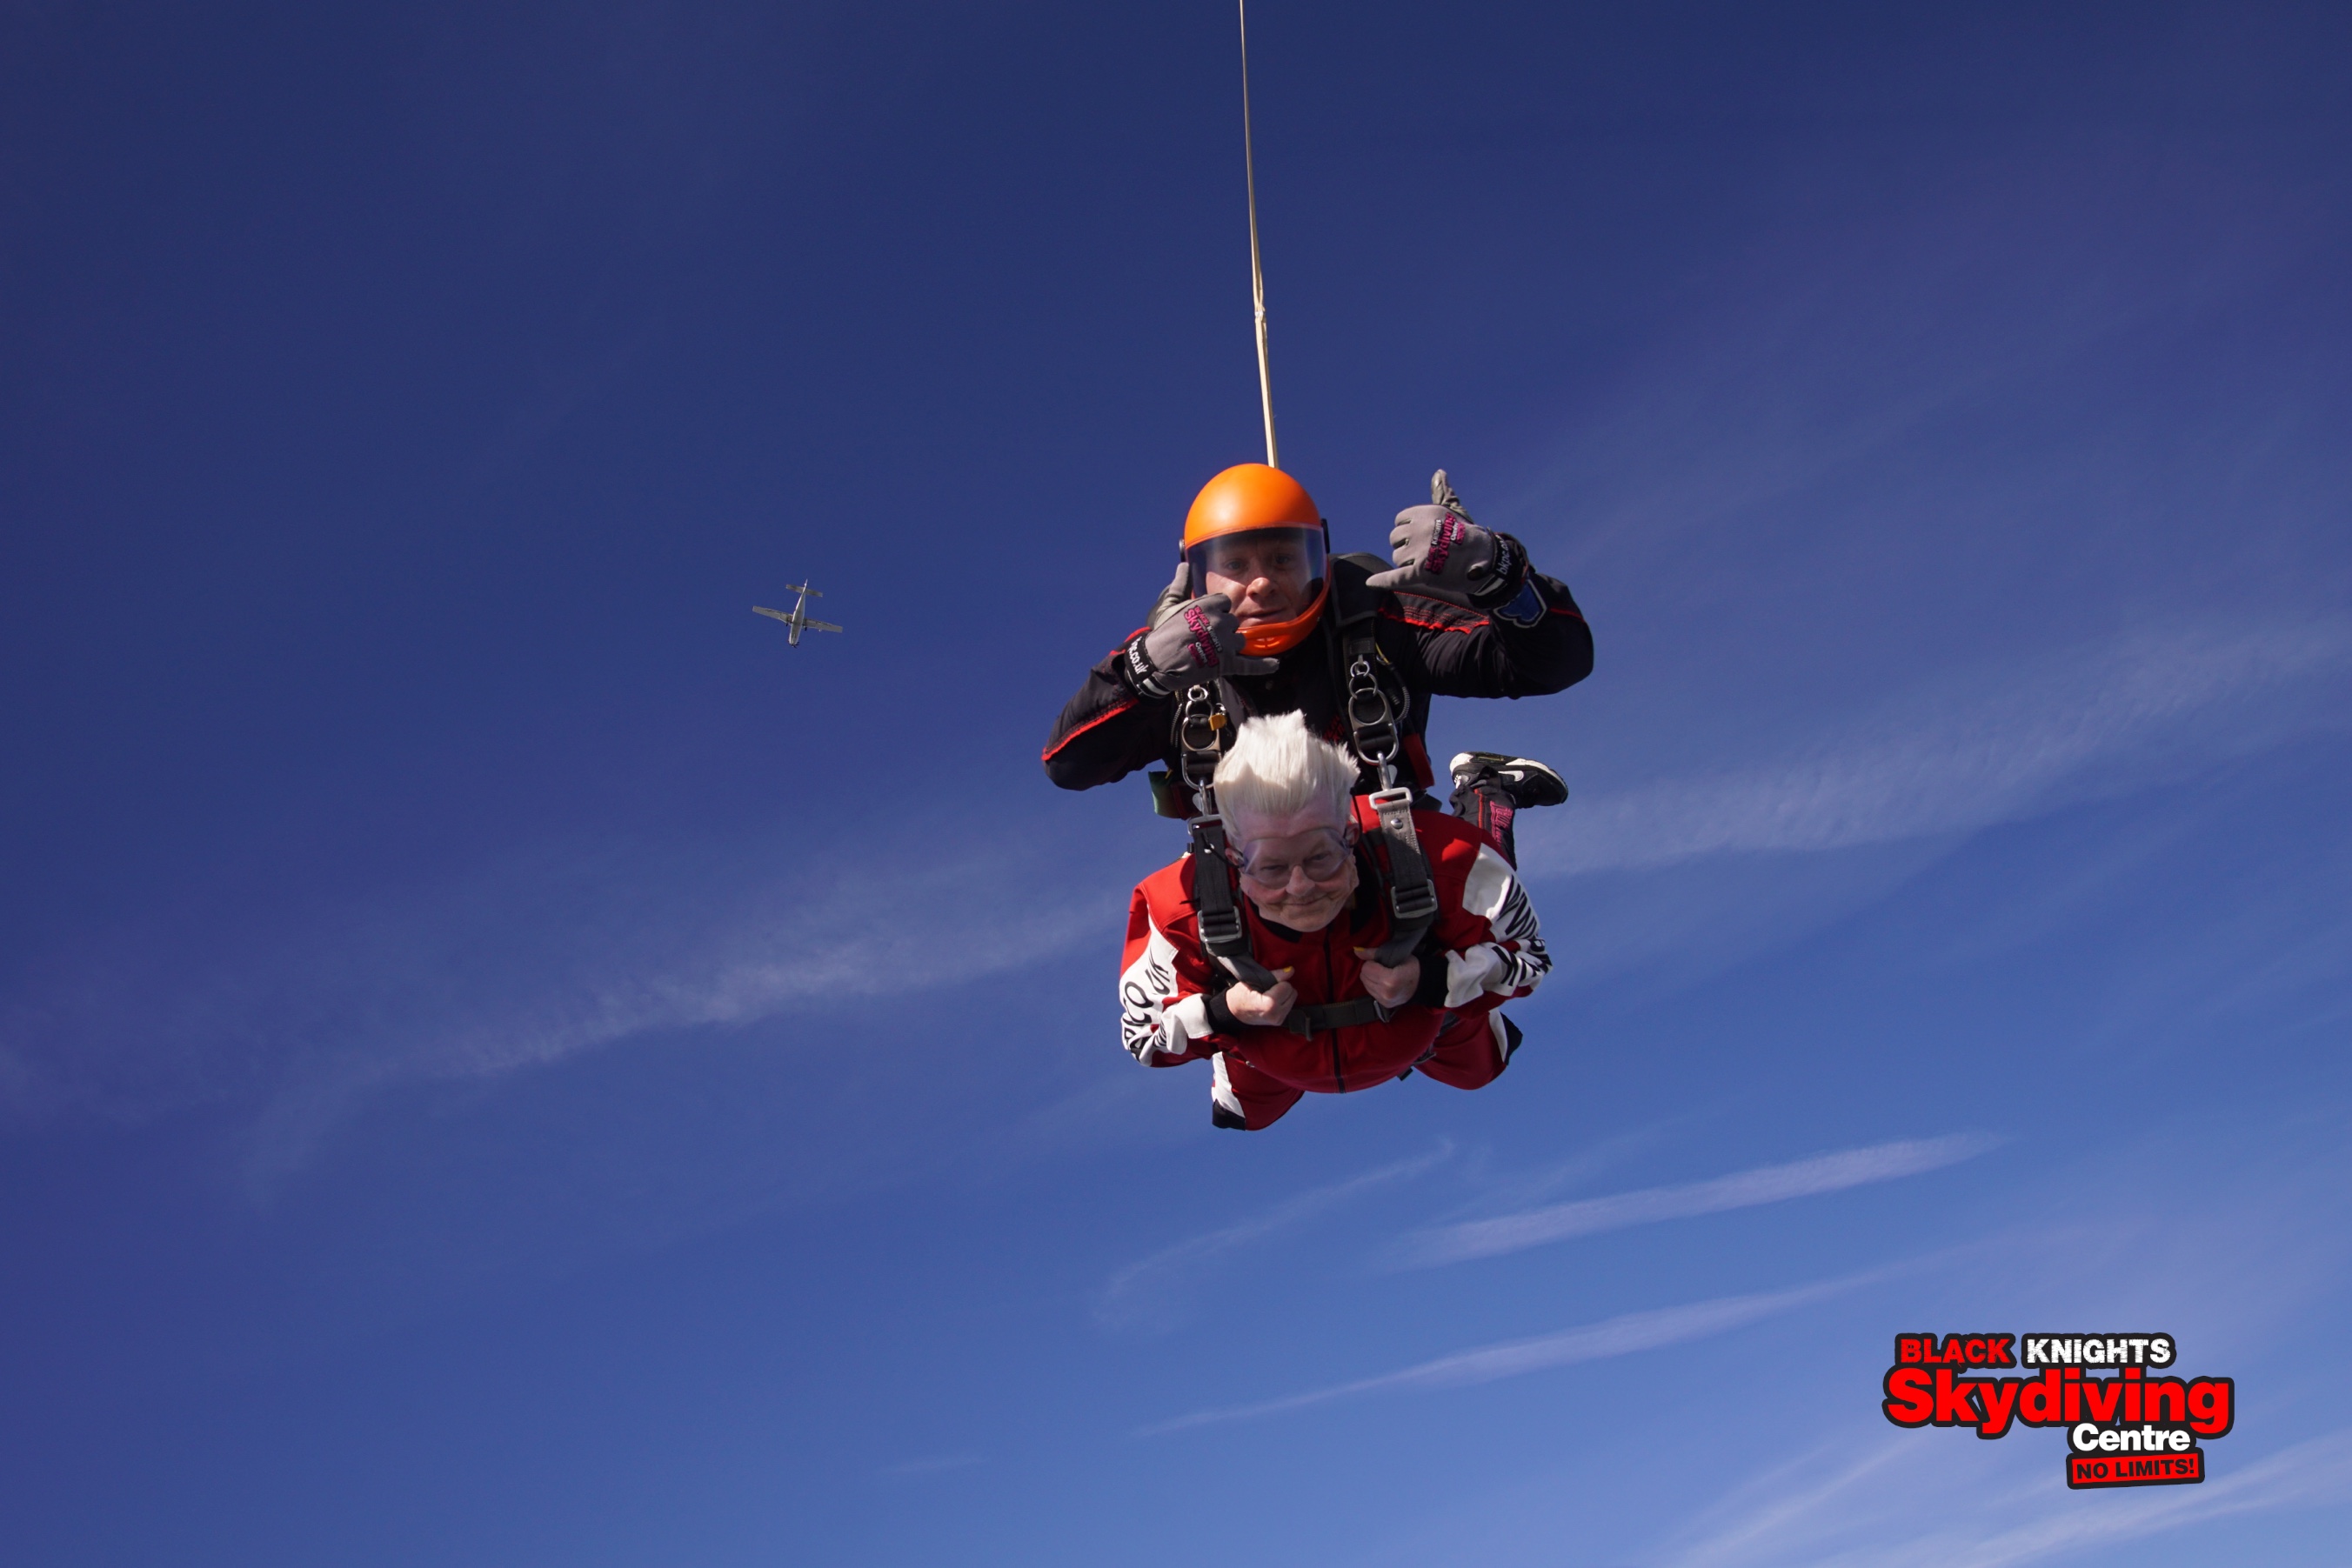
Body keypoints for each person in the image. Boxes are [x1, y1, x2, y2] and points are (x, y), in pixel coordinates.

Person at [1043, 463, 1591, 862]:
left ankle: (1485, 792)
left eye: (1284, 558)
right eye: (1235, 564)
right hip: (1258, 874)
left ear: (1319, 556)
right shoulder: (1173, 668)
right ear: (1194, 574)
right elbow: (1068, 766)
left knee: (1479, 922)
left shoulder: (1371, 615)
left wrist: (1500, 579)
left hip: (1388, 847)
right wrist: (1140, 674)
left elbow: (1548, 664)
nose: (1261, 582)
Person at [1119, 712, 1550, 1131]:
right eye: (1272, 867)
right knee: (1242, 1116)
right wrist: (1224, 1013)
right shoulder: (1179, 908)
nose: (1301, 887)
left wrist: (1434, 980)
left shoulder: (1446, 858)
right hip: (1270, 1049)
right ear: (1234, 861)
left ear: (1350, 836)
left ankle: (1485, 790)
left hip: (1424, 1018)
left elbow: (1529, 958)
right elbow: (1142, 1038)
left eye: (1320, 857)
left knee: (1483, 1067)